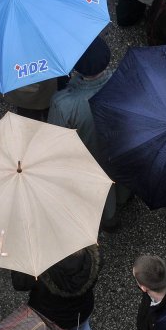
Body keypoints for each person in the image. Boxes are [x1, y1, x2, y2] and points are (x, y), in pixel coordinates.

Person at [48, 36, 131, 233]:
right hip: (123, 147)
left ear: (76, 67)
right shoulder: (125, 80)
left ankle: (109, 219)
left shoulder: (63, 104)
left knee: (100, 187)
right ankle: (125, 197)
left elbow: (56, 141)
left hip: (91, 157)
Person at [11, 245, 101, 330]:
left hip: (50, 315)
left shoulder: (39, 263)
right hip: (81, 310)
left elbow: (19, 283)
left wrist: (22, 256)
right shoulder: (91, 253)